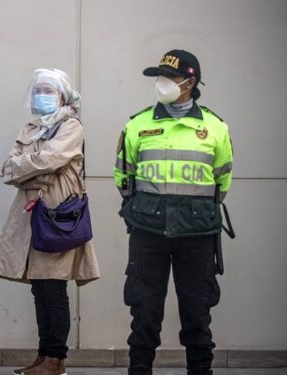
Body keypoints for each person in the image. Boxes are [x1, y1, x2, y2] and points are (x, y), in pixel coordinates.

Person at [114, 49, 234, 375]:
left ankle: (200, 370)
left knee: (197, 312)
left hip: (196, 234)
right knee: (144, 310)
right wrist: (144, 208)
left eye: (169, 77)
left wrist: (193, 210)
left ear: (190, 82)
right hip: (148, 232)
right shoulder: (137, 125)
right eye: (159, 77)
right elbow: (123, 177)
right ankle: (139, 370)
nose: (161, 83)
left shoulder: (216, 128)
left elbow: (222, 182)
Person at [0, 68, 100, 375]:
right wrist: (29, 166)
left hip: (57, 214)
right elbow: (8, 167)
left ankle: (56, 359)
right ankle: (44, 355)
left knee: (53, 287)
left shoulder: (71, 126)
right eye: (38, 89)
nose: (42, 95)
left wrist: (25, 166)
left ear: (63, 96)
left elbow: (49, 159)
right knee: (40, 288)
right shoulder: (30, 128)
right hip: (32, 215)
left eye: (49, 90)